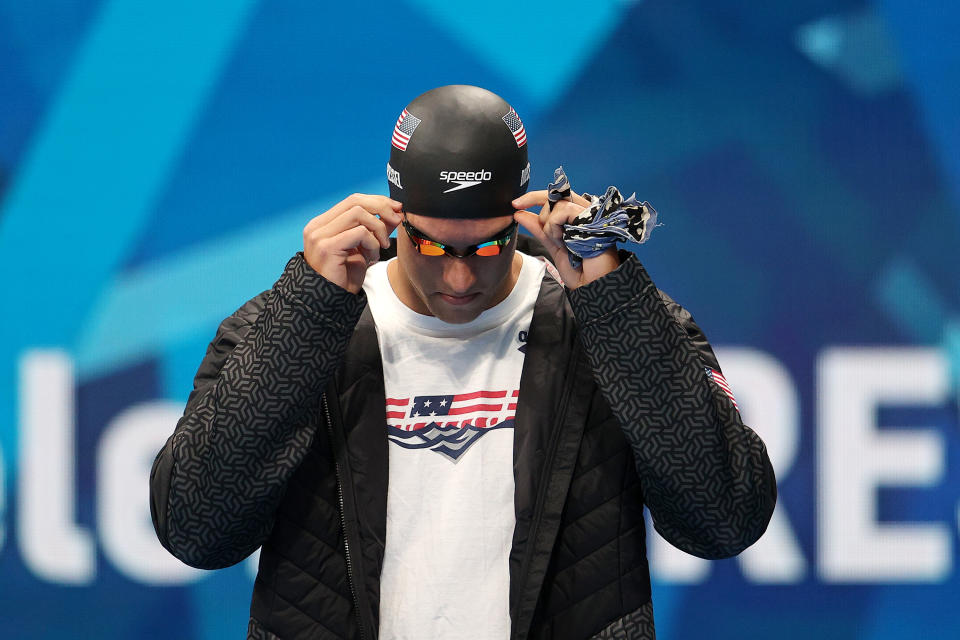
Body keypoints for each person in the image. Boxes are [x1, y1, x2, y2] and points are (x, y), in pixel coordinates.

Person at [150, 84, 776, 640]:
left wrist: (614, 304)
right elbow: (195, 530)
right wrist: (310, 309)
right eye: (429, 244)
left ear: (519, 220)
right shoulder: (292, 326)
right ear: (393, 215)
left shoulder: (608, 324)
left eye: (486, 246)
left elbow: (724, 521)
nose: (458, 276)